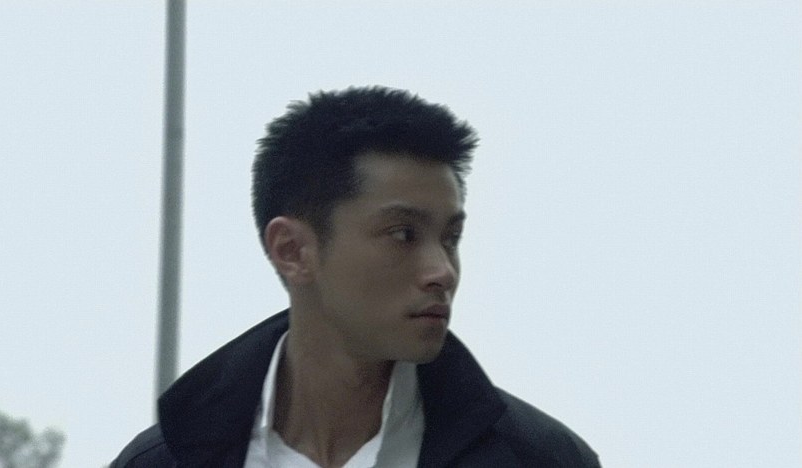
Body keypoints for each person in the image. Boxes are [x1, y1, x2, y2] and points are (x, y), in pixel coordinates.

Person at [111, 86, 600, 467]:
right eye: (403, 234)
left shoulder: (543, 459)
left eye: (451, 237)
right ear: (292, 251)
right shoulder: (161, 461)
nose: (442, 271)